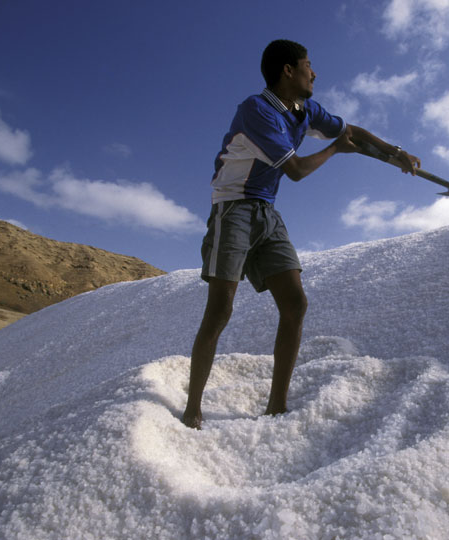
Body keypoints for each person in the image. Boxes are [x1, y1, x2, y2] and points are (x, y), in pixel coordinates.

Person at [181, 39, 420, 429]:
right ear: (288, 71)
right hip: (234, 208)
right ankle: (192, 409)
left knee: (295, 304)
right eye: (308, 65)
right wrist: (335, 151)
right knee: (220, 309)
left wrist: (395, 154)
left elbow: (350, 132)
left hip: (266, 211)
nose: (315, 73)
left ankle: (276, 406)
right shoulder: (256, 110)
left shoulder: (304, 111)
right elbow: (296, 170)